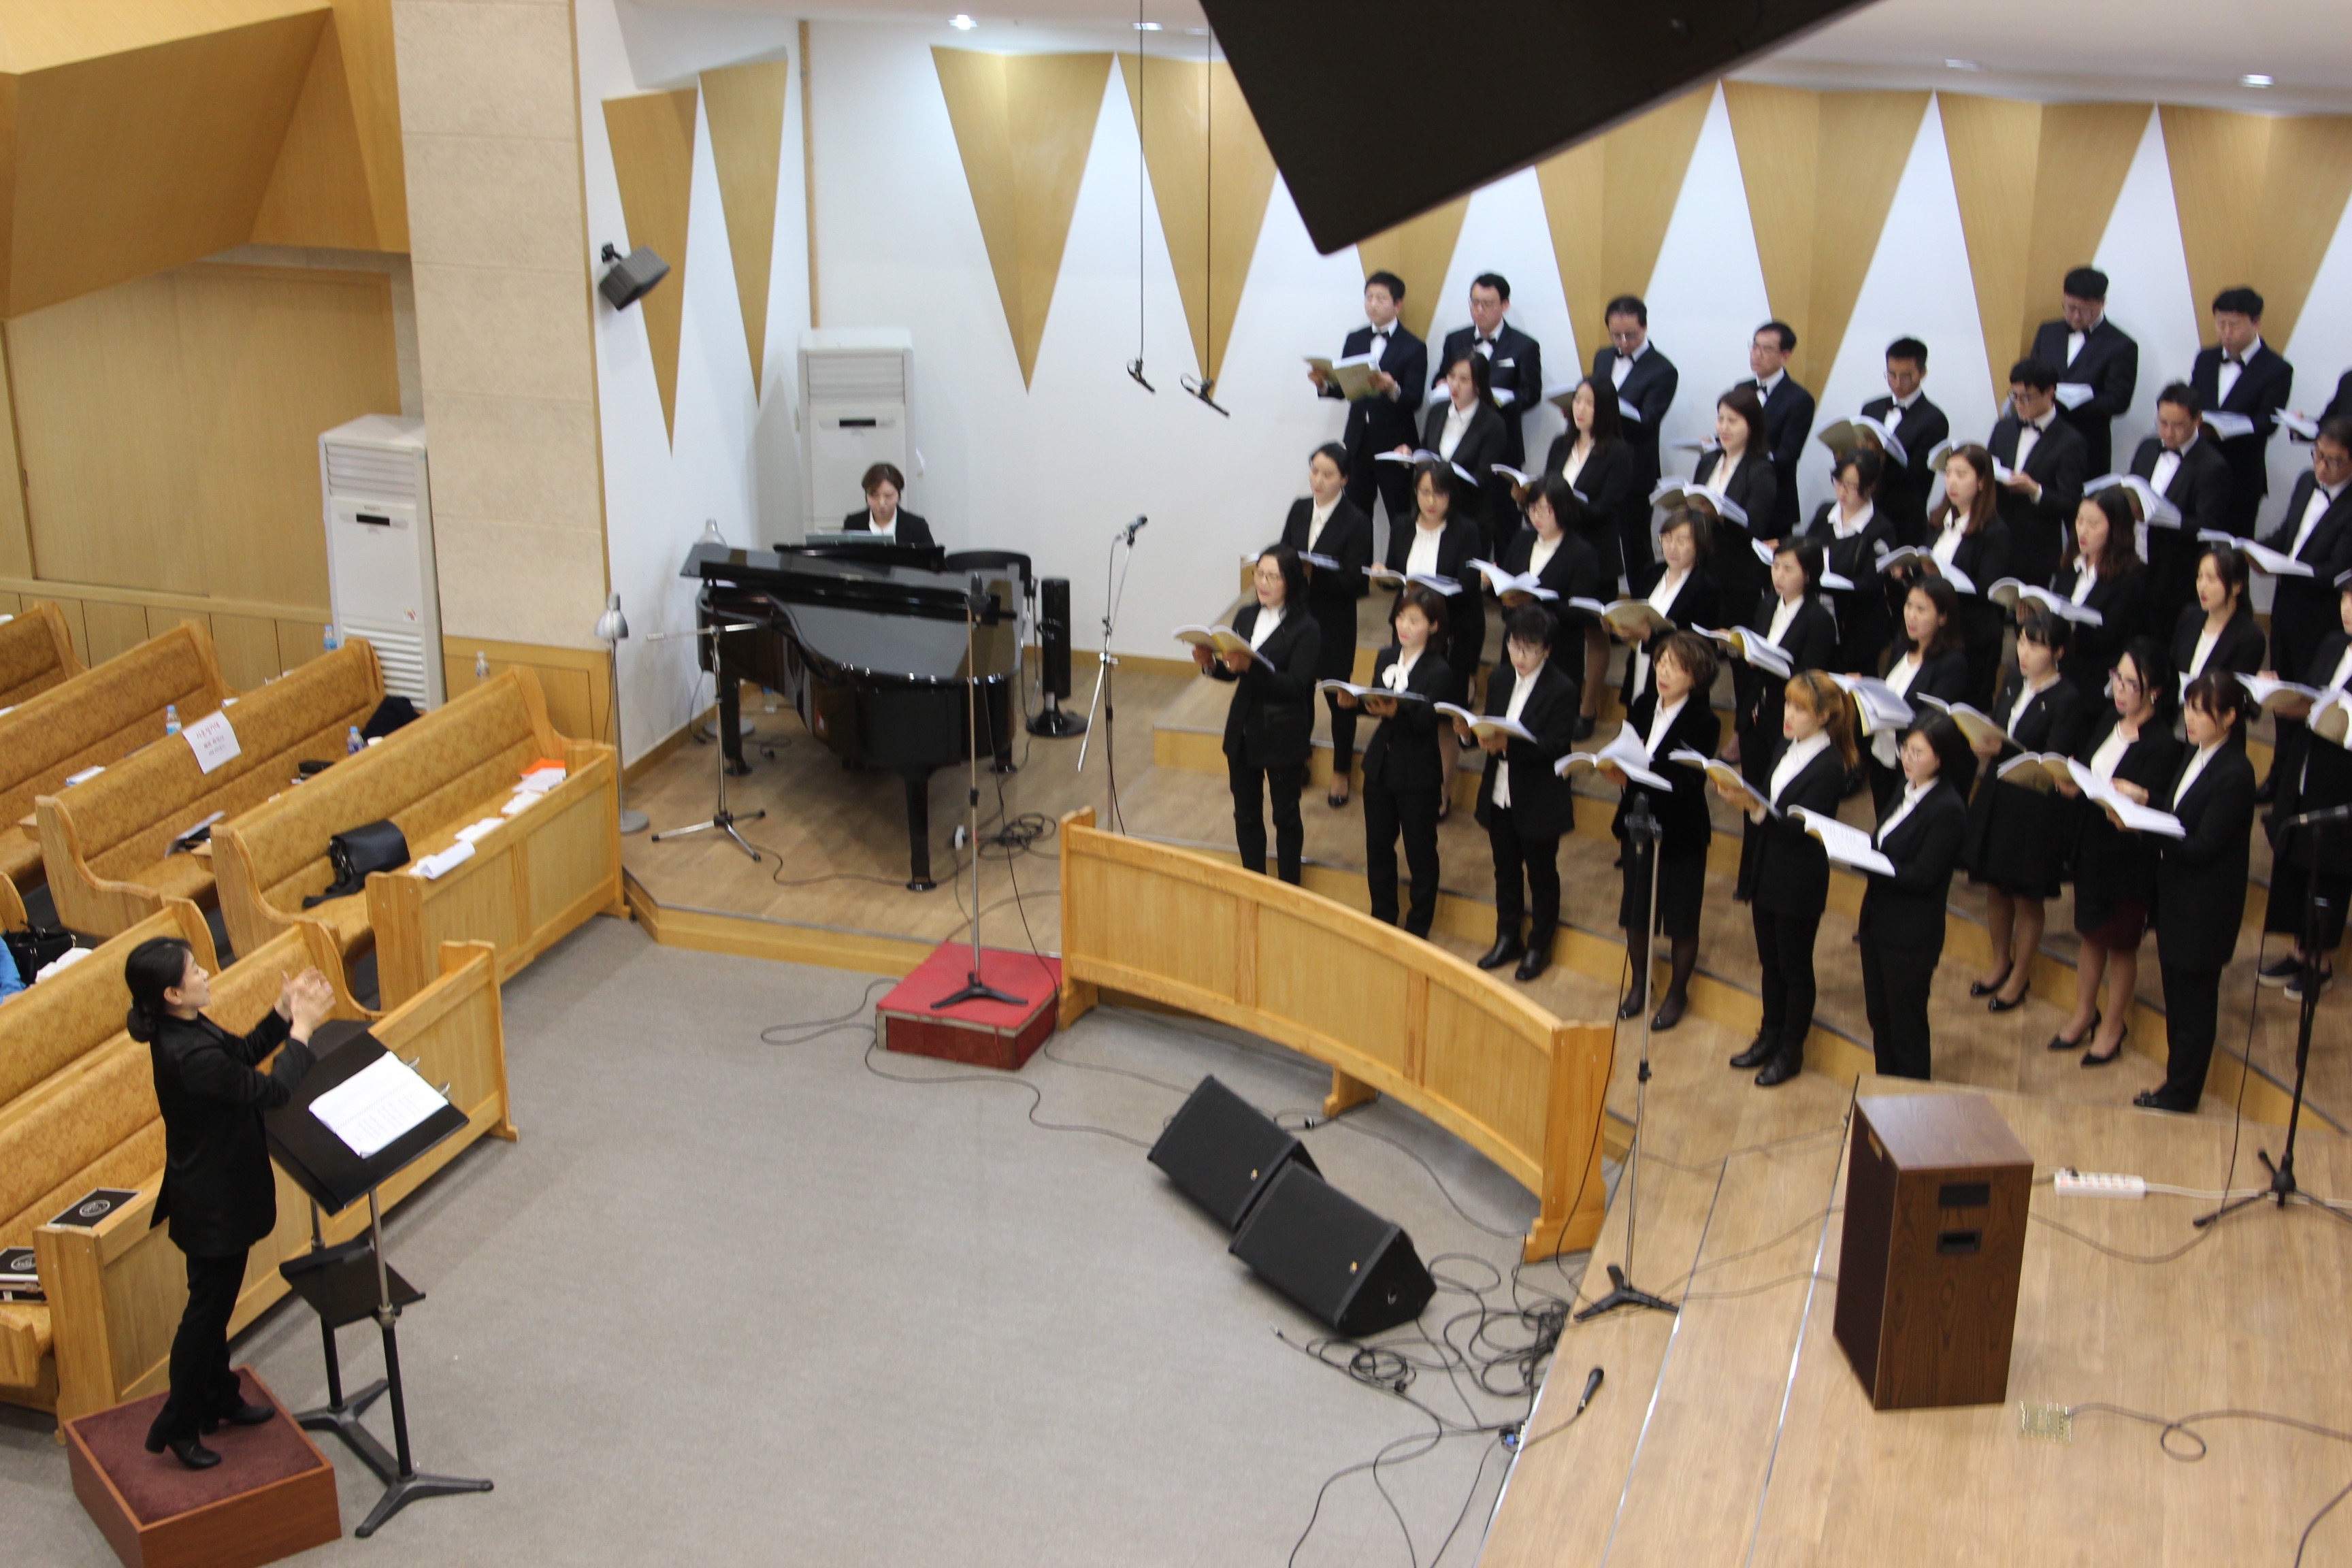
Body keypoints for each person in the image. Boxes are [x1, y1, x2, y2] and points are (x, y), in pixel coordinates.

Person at [129, 937, 335, 1469]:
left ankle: (217, 1395)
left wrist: (282, 1012)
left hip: (216, 1190)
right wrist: (302, 1031)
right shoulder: (187, 1053)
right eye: (194, 970)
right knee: (205, 1316)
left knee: (214, 1306)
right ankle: (177, 1425)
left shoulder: (187, 1027)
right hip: (211, 1203)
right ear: (172, 993)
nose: (205, 973)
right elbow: (271, 1092)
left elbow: (240, 1056)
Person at [2050, 639, 2180, 1064]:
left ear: (2154, 692)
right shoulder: (2109, 719)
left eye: (2130, 683)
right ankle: (2084, 1013)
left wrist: (2129, 796)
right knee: (2091, 936)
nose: (2119, 690)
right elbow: (2090, 771)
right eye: (2116, 679)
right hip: (2091, 847)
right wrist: (2073, 783)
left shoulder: (2162, 743)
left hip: (2127, 860)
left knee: (2121, 946)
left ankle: (2113, 1025)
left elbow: (2153, 804)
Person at [1722, 670, 1855, 1087]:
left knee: (1795, 969)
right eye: (1788, 704)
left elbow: (1801, 827)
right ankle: (1770, 1034)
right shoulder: (1786, 745)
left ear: (1824, 717)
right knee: (1770, 963)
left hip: (1799, 880)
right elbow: (1767, 794)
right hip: (1768, 869)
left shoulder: (1831, 766)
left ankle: (1791, 1050)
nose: (1788, 714)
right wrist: (1746, 797)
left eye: (1800, 708)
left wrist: (1756, 809)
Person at [2136, 672, 2257, 1112]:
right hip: (2178, 900)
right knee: (2177, 999)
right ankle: (2176, 1083)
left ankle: (2182, 1093)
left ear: (2229, 717)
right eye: (2188, 708)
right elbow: (2178, 812)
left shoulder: (2236, 773)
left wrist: (2144, 825)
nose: (2189, 718)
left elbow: (2203, 845)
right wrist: (2144, 800)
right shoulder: (2197, 753)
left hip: (2205, 911)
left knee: (2194, 1008)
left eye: (2200, 712)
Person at [1961, 610, 2091, 1014]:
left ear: (2058, 653)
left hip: (2035, 806)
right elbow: (2000, 725)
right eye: (2021, 641)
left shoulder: (2067, 698)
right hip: (1999, 793)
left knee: (2025, 895)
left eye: (2035, 645)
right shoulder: (2015, 682)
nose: (2024, 651)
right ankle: (2000, 961)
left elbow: (2053, 755)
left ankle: (2021, 974)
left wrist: (2003, 748)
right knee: (1995, 885)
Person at [1465, 606, 1579, 981]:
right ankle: (1507, 937)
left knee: (1541, 874)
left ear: (1547, 650)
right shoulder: (1500, 679)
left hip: (1539, 796)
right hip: (1500, 790)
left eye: (1530, 649)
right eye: (1515, 645)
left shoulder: (1562, 688)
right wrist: (1471, 734)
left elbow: (1557, 745)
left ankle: (1538, 946)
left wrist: (1508, 746)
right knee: (1505, 869)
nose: (1520, 656)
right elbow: (1490, 726)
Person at [1614, 631, 1720, 1030]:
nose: (1663, 672)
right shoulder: (1644, 704)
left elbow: (1688, 780)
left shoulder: (1705, 722)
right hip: (1638, 821)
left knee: (1680, 918)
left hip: (1681, 828)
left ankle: (1677, 992)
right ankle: (1640, 983)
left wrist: (1638, 770)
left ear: (1695, 677)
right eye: (1661, 663)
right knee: (1636, 910)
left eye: (1675, 667)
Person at [1857, 717, 1973, 1079]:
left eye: (1917, 752)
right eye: (1905, 748)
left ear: (1941, 758)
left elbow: (1924, 876)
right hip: (1878, 923)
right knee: (1880, 1020)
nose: (1907, 757)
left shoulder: (1948, 809)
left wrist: (1871, 863)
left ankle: (1910, 1103)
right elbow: (1883, 840)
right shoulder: (1906, 788)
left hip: (1909, 937)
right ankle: (1882, 1096)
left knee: (1906, 1031)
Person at [1198, 546, 1321, 884]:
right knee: (1246, 814)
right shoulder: (1246, 616)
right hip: (1243, 729)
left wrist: (1250, 667)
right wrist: (1210, 664)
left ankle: (1288, 888)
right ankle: (1255, 884)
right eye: (1259, 574)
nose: (1263, 582)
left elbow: (1296, 686)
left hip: (1282, 732)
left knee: (1286, 816)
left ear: (1290, 580)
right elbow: (1234, 672)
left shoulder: (1306, 628)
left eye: (1273, 576)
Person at [2255, 574, 2352, 998]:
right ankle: (2299, 949)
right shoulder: (2334, 645)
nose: (2347, 608)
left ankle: (2321, 960)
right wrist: (2278, 693)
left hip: (2341, 777)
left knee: (2328, 867)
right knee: (2295, 856)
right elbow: (2309, 698)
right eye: (2345, 599)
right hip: (2307, 763)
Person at [1343, 585, 1452, 936]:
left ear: (1433, 626)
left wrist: (1395, 712)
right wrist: (1355, 704)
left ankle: (1418, 926)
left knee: (1420, 853)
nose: (1404, 625)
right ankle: (1383, 916)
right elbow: (1378, 703)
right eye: (1401, 617)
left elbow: (1427, 722)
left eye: (1414, 620)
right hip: (1381, 766)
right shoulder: (1386, 655)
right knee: (1378, 847)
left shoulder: (1440, 670)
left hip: (1418, 772)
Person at [1281, 444, 1374, 808]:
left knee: (1338, 699)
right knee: (1299, 692)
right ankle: (1299, 758)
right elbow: (1285, 552)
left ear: (1344, 479)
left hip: (1334, 622)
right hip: (1298, 617)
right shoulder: (1299, 508)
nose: (1318, 480)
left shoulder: (1357, 520)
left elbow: (1357, 582)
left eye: (1328, 474)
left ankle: (1341, 772)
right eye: (1315, 471)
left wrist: (1314, 573)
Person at [1387, 459, 1484, 802]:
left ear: (1451, 496)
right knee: (1405, 709)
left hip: (1450, 633)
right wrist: (1385, 575)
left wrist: (1430, 593)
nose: (1431, 501)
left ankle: (1442, 794)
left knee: (1443, 717)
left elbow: (1469, 584)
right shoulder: (1403, 525)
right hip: (1407, 632)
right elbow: (1395, 572)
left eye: (1439, 494)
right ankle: (1403, 783)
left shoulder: (1466, 530)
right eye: (1425, 492)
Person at [1540, 379, 1635, 732]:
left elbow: (1607, 507)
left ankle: (1588, 708)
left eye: (1589, 403)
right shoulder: (1561, 443)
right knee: (1554, 626)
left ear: (1605, 409)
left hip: (1596, 553)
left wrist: (1565, 506)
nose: (1580, 409)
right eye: (1577, 401)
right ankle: (1550, 701)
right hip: (1557, 550)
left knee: (1595, 632)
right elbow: (1547, 487)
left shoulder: (1618, 452)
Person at [1313, 271, 1427, 527]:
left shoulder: (1414, 346)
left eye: (1381, 299)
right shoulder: (1355, 339)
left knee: (1400, 516)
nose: (1373, 304)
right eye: (1369, 297)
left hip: (1395, 444)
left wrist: (1392, 388)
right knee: (1355, 516)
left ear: (1397, 305)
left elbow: (1415, 399)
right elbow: (1345, 387)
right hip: (1357, 441)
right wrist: (1323, 384)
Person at [1902, 443, 2012, 705]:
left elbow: (1987, 589)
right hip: (1932, 633)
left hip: (1968, 635)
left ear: (1982, 482)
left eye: (1961, 475)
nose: (1952, 481)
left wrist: (1943, 576)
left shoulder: (1994, 531)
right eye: (1949, 473)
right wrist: (1908, 570)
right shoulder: (1938, 521)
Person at [1731, 537, 1838, 789]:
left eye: (1788, 569)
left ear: (1808, 574)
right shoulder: (1768, 603)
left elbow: (1809, 676)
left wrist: (1766, 662)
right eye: (1775, 566)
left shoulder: (1818, 618)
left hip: (1786, 714)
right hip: (1754, 709)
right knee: (1751, 787)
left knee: (1777, 788)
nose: (1778, 575)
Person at [2129, 383, 2234, 636]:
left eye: (2178, 425)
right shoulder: (2148, 448)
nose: (2168, 432)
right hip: (2135, 563)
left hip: (2173, 575)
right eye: (2163, 423)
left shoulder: (2212, 466)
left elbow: (2209, 526)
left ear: (2198, 421)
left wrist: (2163, 518)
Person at [2189, 287, 2294, 536]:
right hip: (2198, 471)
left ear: (2256, 323)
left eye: (2234, 325)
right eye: (2221, 324)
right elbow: (2191, 401)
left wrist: (2225, 430)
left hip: (2240, 477)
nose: (2226, 332)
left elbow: (2267, 423)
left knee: (2230, 549)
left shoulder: (2277, 369)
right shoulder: (2206, 359)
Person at [2253, 417, 2352, 682]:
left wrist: (2290, 569)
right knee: (2278, 680)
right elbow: (2288, 535)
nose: (2322, 466)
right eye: (2318, 455)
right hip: (2284, 605)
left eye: (2334, 461)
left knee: (2306, 687)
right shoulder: (2307, 481)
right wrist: (2250, 549)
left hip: (2319, 616)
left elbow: (2338, 571)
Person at [1867, 577, 1972, 814]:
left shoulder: (1952, 663)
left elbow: (1931, 719)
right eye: (1908, 605)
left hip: (1911, 761)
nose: (1911, 616)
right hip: (1881, 751)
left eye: (1921, 609)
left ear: (1942, 618)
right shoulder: (1903, 645)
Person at [1499, 475, 1604, 706]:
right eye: (1533, 509)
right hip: (1517, 644)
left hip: (1559, 651)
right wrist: (1493, 584)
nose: (1538, 516)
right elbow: (1506, 589)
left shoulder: (1581, 553)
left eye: (1547, 510)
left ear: (1563, 509)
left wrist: (1535, 601)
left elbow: (1580, 613)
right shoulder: (1522, 540)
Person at [1592, 295, 1679, 572]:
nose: (1623, 342)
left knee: (1635, 545)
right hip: (1599, 463)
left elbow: (1648, 423)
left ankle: (1642, 595)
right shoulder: (1603, 357)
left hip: (1634, 469)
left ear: (1644, 327)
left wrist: (1607, 413)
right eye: (1615, 335)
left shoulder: (1663, 369)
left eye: (1630, 335)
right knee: (1597, 539)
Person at [1987, 358, 2087, 591]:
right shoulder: (2003, 428)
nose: (2019, 404)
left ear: (2050, 392)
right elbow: (1990, 466)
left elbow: (2070, 501)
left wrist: (2036, 491)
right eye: (2014, 396)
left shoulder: (2070, 441)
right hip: (1997, 538)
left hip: (2035, 548)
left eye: (2026, 397)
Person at [2029, 267, 2138, 477]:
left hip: (2088, 445)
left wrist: (2073, 401)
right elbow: (2033, 375)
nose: (2076, 317)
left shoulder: (2121, 345)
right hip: (2043, 439)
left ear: (2102, 303)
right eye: (2070, 308)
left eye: (2086, 311)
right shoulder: (2048, 332)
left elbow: (2119, 401)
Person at [1799, 447, 1896, 672]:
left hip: (1856, 629)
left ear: (1871, 487)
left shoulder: (1881, 529)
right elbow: (1806, 550)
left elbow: (1872, 582)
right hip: (1818, 619)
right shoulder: (1826, 513)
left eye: (1852, 486)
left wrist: (1829, 583)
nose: (1842, 491)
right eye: (1839, 482)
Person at [1437, 273, 1543, 470]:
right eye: (1475, 302)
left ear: (1505, 305)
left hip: (1502, 441)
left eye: (1487, 304)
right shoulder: (1455, 339)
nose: (1479, 309)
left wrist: (1496, 402)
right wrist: (1442, 384)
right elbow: (1441, 376)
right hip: (1456, 439)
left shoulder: (1524, 345)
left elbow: (1531, 394)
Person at [2051, 487, 2148, 697]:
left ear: (2115, 529)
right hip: (2059, 672)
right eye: (2080, 521)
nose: (2083, 531)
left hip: (2093, 682)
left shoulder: (2129, 578)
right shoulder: (2070, 565)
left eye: (2093, 524)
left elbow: (2109, 639)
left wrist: (2066, 631)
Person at [1619, 507, 1718, 710]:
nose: (1672, 548)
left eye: (1682, 541)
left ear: (1699, 544)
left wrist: (1649, 636)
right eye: (1667, 539)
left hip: (1678, 679)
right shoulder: (1652, 573)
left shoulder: (1707, 588)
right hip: (1641, 665)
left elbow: (1700, 646)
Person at [1411, 350, 1509, 555]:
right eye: (1451, 376)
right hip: (1431, 516)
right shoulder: (1437, 412)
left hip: (1469, 518)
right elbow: (1426, 450)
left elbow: (1484, 477)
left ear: (1478, 385)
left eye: (1464, 380)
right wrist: (1411, 455)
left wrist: (1447, 476)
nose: (1454, 385)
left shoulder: (1493, 424)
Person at [1693, 385, 1776, 608]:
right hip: (1701, 564)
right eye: (1720, 419)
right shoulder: (1709, 461)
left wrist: (1718, 515)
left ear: (1751, 426)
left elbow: (1755, 527)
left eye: (1733, 421)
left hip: (1737, 573)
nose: (1724, 427)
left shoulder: (1761, 470)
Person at [1734, 321, 1816, 540]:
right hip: (1737, 496)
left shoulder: (1799, 399)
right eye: (1755, 346)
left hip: (1773, 500)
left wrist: (1749, 458)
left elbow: (1788, 454)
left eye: (1767, 349)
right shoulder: (1742, 389)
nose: (1757, 354)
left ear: (1785, 356)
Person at [1863, 337, 1948, 546]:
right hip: (1864, 511)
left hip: (1903, 521)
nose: (1897, 383)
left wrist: (1882, 458)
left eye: (1906, 376)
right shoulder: (1872, 408)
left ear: (1922, 373)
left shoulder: (1934, 419)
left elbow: (1920, 476)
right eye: (1891, 375)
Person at [2170, 543, 2265, 681]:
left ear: (2236, 586)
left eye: (2211, 579)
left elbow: (2232, 688)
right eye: (2200, 576)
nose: (2202, 586)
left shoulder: (2250, 637)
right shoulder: (2190, 616)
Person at [843, 463, 934, 545]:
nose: (882, 503)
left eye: (888, 496)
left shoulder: (917, 526)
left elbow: (932, 557)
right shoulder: (853, 524)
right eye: (875, 496)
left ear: (898, 495)